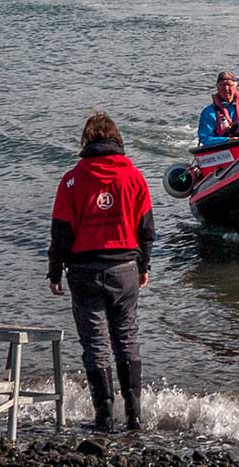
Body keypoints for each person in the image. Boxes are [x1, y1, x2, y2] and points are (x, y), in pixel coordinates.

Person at [48, 112, 153, 433]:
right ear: (116, 141)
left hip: (84, 270)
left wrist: (54, 271)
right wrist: (144, 266)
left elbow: (61, 232)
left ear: (86, 141)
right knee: (126, 338)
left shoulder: (72, 179)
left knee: (94, 343)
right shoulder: (134, 176)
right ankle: (134, 416)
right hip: (125, 268)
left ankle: (104, 417)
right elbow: (146, 229)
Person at [197, 72, 239, 145]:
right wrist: (227, 140)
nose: (226, 89)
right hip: (222, 149)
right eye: (222, 85)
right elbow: (205, 138)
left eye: (229, 85)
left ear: (235, 86)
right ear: (217, 87)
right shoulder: (208, 113)